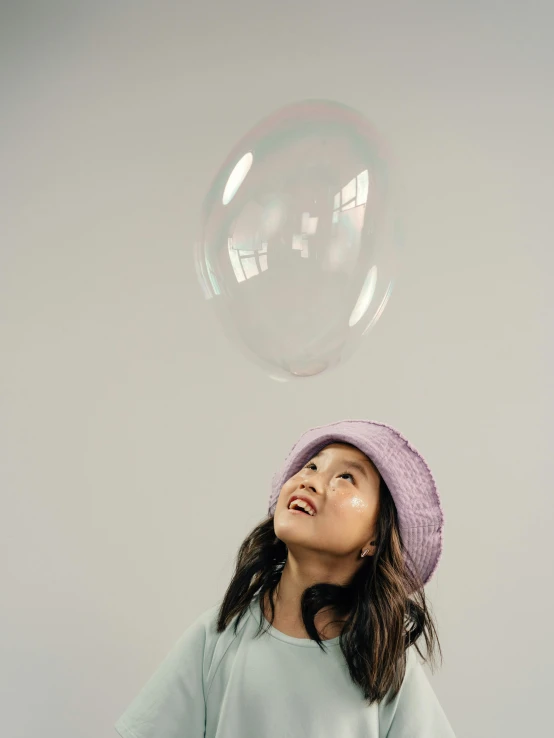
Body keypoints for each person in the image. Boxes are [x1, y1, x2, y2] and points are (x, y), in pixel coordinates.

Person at [114, 419, 456, 737]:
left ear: (376, 539)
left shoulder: (385, 666)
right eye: (311, 466)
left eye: (346, 478)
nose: (310, 480)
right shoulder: (217, 640)